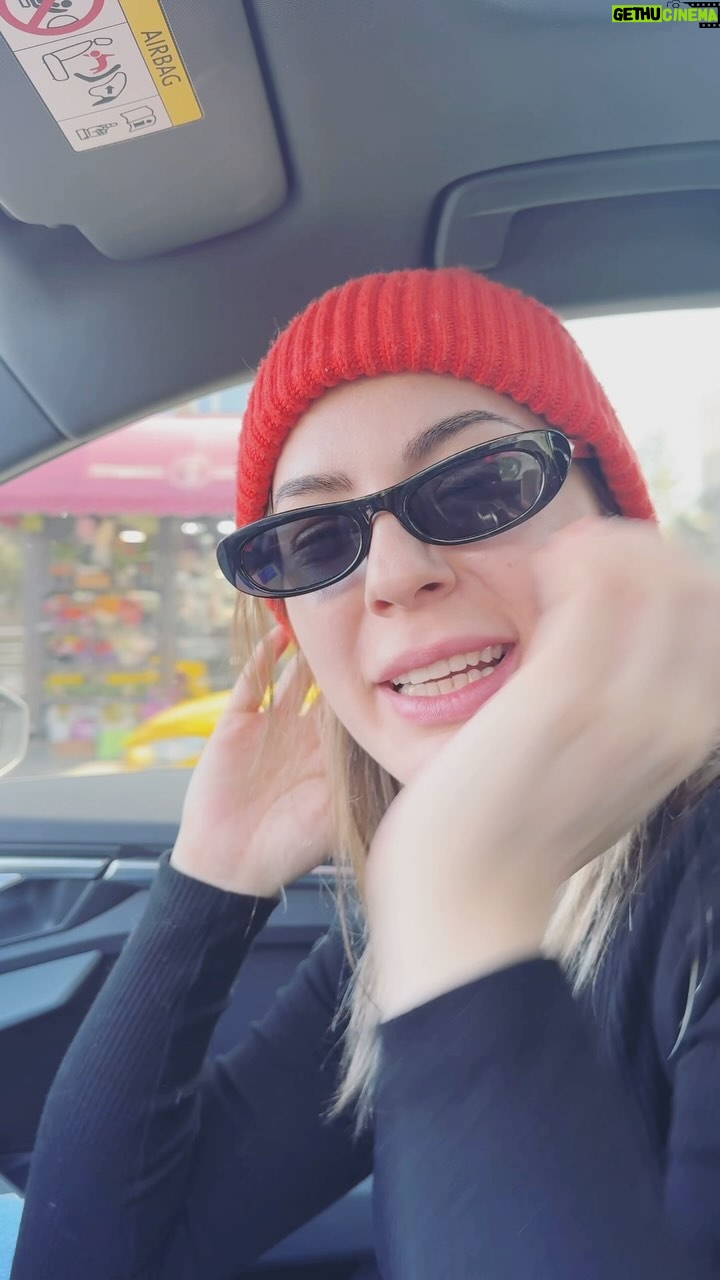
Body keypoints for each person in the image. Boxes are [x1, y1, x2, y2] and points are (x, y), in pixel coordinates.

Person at [8, 268, 720, 1280]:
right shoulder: (401, 931)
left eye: (479, 487)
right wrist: (214, 868)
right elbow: (94, 1255)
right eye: (316, 539)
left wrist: (459, 908)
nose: (393, 573)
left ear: (616, 527)